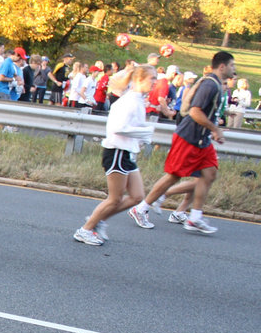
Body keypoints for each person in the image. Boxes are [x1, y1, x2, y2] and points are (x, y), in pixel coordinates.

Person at [128, 51, 236, 235]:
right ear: (222, 66)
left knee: (209, 174)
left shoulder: (217, 85)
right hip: (189, 136)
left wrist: (213, 130)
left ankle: (194, 217)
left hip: (203, 139)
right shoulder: (209, 85)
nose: (235, 70)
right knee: (174, 175)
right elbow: (195, 112)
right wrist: (215, 129)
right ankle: (141, 208)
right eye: (232, 65)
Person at [73, 65, 157, 245]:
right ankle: (85, 229)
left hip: (126, 153)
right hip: (116, 152)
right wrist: (144, 133)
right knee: (115, 198)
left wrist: (141, 137)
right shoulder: (129, 101)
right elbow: (118, 128)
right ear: (139, 79)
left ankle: (98, 220)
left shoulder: (138, 100)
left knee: (137, 196)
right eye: (152, 79)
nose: (155, 82)